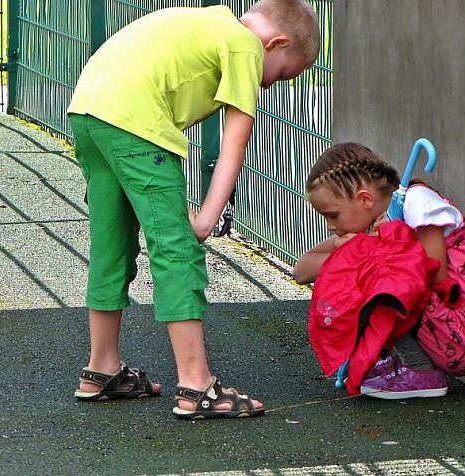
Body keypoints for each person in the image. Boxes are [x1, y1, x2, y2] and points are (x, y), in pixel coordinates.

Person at [66, 0, 320, 419]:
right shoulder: (245, 46)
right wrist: (204, 220)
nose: (269, 86)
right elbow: (234, 145)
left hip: (88, 110)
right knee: (177, 250)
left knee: (111, 244)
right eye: (281, 74)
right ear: (276, 43)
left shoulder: (210, 21)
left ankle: (101, 368)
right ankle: (197, 386)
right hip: (135, 121)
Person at [294, 142, 465, 399]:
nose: (329, 225)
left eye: (333, 215)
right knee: (364, 270)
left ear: (365, 199)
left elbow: (434, 275)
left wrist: (366, 253)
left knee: (376, 276)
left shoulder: (415, 203)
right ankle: (407, 361)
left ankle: (421, 370)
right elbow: (301, 271)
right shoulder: (373, 222)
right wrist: (350, 249)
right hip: (446, 329)